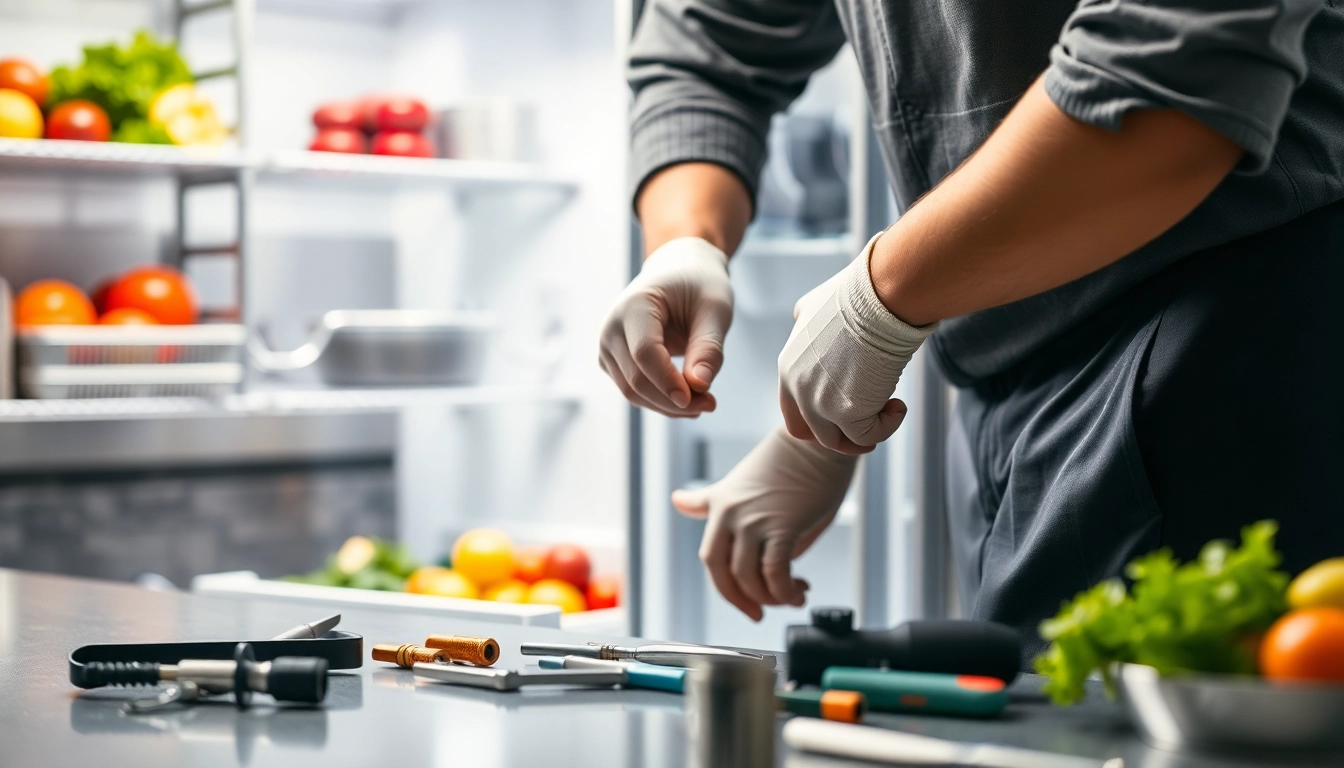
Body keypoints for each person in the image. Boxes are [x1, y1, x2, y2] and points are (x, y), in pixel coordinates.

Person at [599, 0, 1344, 654]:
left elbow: (1176, 76)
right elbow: (707, 50)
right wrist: (686, 242)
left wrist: (878, 304)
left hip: (1232, 341)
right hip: (998, 383)